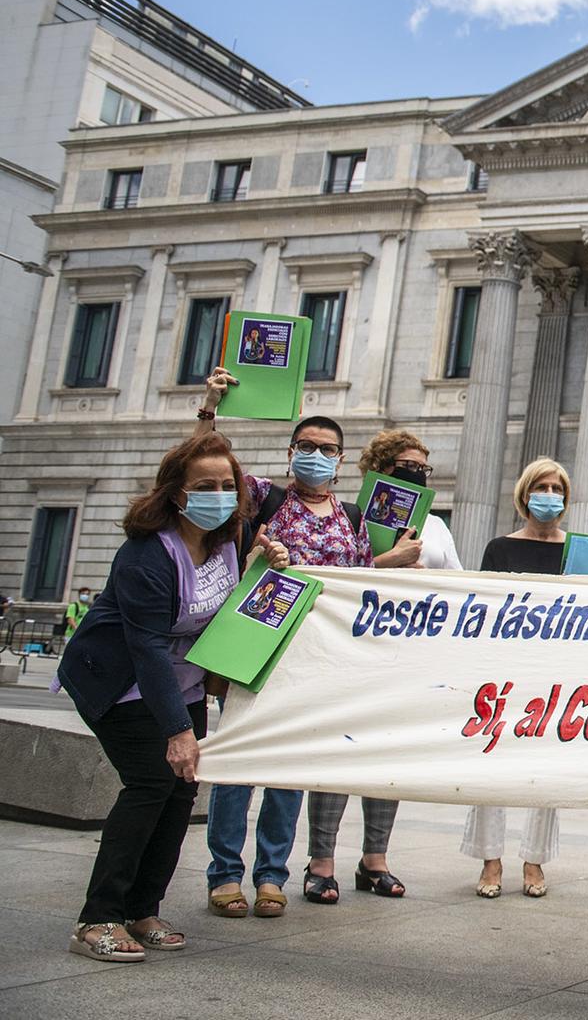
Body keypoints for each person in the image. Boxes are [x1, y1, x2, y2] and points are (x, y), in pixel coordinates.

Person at [194, 371, 421, 912]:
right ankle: (225, 875)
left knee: (289, 773)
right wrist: (211, 406)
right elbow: (205, 460)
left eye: (328, 449)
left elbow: (363, 582)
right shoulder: (263, 498)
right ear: (291, 450)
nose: (317, 455)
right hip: (256, 647)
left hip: (319, 658)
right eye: (308, 446)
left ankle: (271, 874)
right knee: (239, 768)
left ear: (341, 460)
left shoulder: (352, 517)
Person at [57, 434, 290, 961]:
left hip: (180, 681)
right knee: (150, 783)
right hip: (120, 680)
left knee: (181, 793)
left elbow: (229, 609)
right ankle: (96, 918)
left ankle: (143, 909)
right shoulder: (146, 553)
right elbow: (146, 648)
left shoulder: (231, 537)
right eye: (204, 486)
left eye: (227, 486)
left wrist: (262, 564)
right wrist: (178, 731)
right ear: (176, 493)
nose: (218, 494)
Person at [467, 458, 573, 898]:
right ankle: (491, 861)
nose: (550, 495)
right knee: (493, 763)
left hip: (557, 669)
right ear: (525, 494)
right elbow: (484, 607)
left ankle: (534, 861)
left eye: (558, 489)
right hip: (505, 667)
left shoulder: (577, 548)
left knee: (545, 767)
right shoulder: (500, 547)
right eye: (542, 487)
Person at [357, 430, 463, 571]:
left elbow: (456, 577)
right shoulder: (354, 519)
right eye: (411, 465)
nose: (418, 473)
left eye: (423, 468)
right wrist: (388, 560)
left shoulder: (436, 525)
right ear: (383, 467)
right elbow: (338, 572)